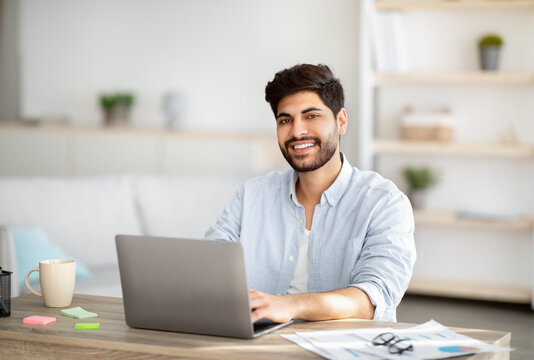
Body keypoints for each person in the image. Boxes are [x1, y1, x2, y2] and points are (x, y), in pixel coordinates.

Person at [205, 64, 416, 323]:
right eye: (285, 120)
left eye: (311, 116)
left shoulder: (384, 203)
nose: (296, 131)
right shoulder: (251, 195)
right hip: (258, 346)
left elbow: (372, 299)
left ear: (341, 121)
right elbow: (210, 267)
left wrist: (290, 306)